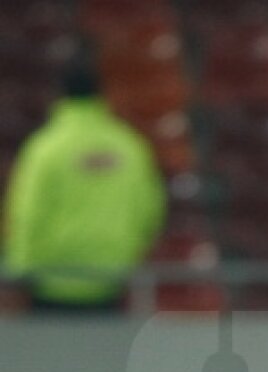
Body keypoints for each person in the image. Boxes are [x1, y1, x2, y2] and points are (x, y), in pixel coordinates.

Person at [2, 57, 165, 311]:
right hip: (112, 279)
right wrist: (129, 255)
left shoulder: (45, 149)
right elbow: (149, 209)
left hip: (51, 283)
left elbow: (27, 213)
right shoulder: (129, 146)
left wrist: (21, 269)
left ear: (58, 94)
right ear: (101, 93)